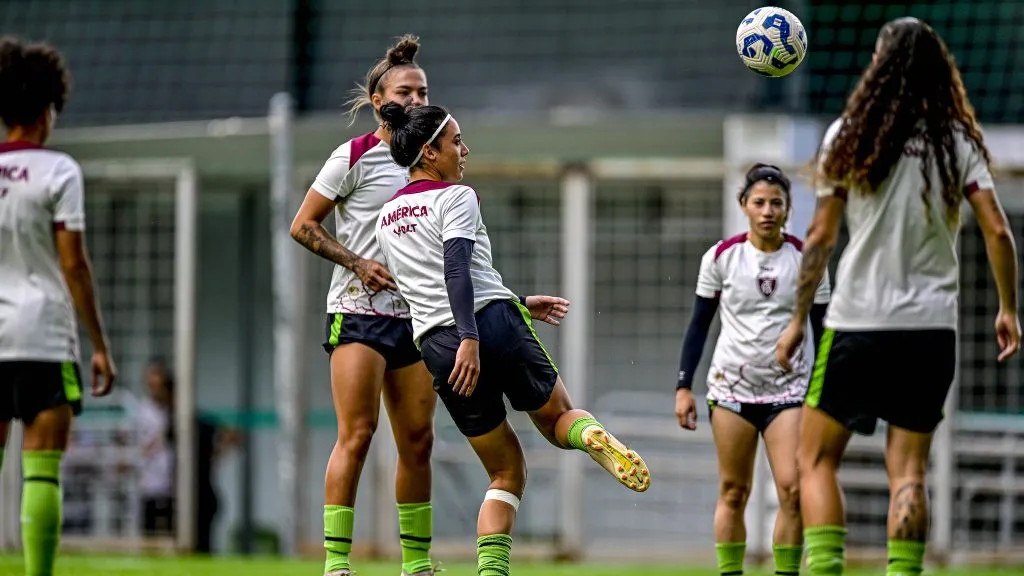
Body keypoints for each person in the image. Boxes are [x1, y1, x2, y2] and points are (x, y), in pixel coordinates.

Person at [775, 17, 1021, 576]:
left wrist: (796, 319)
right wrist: (1007, 308)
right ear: (940, 72)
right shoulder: (956, 141)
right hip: (931, 329)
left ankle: (825, 569)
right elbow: (999, 231)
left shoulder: (850, 135)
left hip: (858, 323)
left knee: (813, 461)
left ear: (878, 69)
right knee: (908, 472)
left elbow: (819, 237)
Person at [374, 101, 651, 576]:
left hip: (439, 347)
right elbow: (456, 268)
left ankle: (491, 572)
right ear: (429, 152)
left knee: (505, 473)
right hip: (484, 327)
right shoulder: (457, 197)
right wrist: (474, 335)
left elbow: (429, 286)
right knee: (560, 418)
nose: (465, 150)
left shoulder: (386, 219)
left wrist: (515, 301)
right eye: (456, 141)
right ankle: (590, 436)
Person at [289, 34, 437, 576]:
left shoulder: (432, 161)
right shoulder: (353, 155)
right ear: (379, 101)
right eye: (406, 92)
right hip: (358, 314)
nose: (417, 101)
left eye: (423, 93)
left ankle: (416, 564)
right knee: (357, 433)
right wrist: (356, 262)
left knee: (418, 440)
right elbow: (303, 226)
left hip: (418, 319)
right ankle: (335, 564)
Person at [675, 163, 830, 576]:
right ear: (743, 205)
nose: (767, 211)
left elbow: (824, 330)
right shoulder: (722, 257)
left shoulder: (807, 260)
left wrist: (824, 389)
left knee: (792, 491)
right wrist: (683, 386)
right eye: (759, 202)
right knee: (733, 490)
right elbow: (699, 325)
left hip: (790, 393)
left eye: (776, 203)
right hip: (731, 392)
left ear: (787, 208)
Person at [0, 36, 117, 576]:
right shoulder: (59, 171)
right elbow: (74, 265)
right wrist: (99, 345)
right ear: (48, 111)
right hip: (45, 337)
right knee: (41, 471)